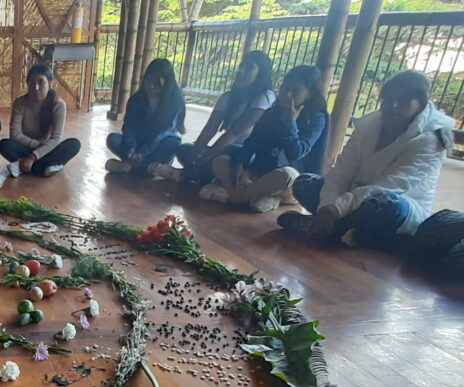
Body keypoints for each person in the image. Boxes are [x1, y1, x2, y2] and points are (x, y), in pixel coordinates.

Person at [278, 70, 454, 248]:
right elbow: (341, 171)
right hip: (351, 199)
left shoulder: (431, 140)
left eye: (403, 100)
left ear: (421, 103)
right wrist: (328, 207)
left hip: (393, 208)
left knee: (384, 204)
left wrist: (336, 209)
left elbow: (389, 186)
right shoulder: (369, 125)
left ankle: (321, 226)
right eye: (388, 99)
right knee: (305, 182)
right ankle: (336, 228)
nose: (393, 105)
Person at [199, 65, 328, 212]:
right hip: (260, 175)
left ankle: (234, 195)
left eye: (296, 91)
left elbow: (296, 152)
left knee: (286, 175)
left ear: (310, 95)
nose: (288, 94)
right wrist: (240, 163)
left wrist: (290, 124)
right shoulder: (271, 113)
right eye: (285, 88)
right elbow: (251, 143)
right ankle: (263, 198)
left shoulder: (317, 119)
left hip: (290, 183)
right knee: (221, 161)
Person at [155, 51, 275, 183]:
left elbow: (233, 134)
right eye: (241, 66)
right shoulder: (228, 97)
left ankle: (189, 175)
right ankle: (203, 177)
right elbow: (209, 130)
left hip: (246, 157)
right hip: (224, 152)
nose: (241, 71)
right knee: (184, 150)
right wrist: (192, 157)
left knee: (224, 157)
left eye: (249, 68)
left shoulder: (266, 98)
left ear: (261, 73)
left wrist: (204, 159)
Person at [0, 64, 81, 179]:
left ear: (50, 84)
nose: (36, 87)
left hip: (48, 149)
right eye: (32, 83)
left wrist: (32, 157)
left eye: (41, 82)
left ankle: (24, 166)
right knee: (4, 145)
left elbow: (55, 139)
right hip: (27, 146)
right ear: (27, 84)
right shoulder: (20, 103)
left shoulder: (58, 105)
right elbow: (15, 135)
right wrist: (37, 146)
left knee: (74, 144)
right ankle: (44, 168)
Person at [106, 59, 186, 176]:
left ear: (167, 84)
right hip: (138, 144)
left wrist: (143, 152)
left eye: (157, 84)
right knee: (113, 139)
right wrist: (132, 148)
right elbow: (129, 127)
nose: (152, 87)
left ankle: (129, 167)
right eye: (149, 81)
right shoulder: (136, 99)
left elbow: (163, 133)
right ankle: (150, 168)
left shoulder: (175, 101)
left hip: (157, 146)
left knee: (174, 144)